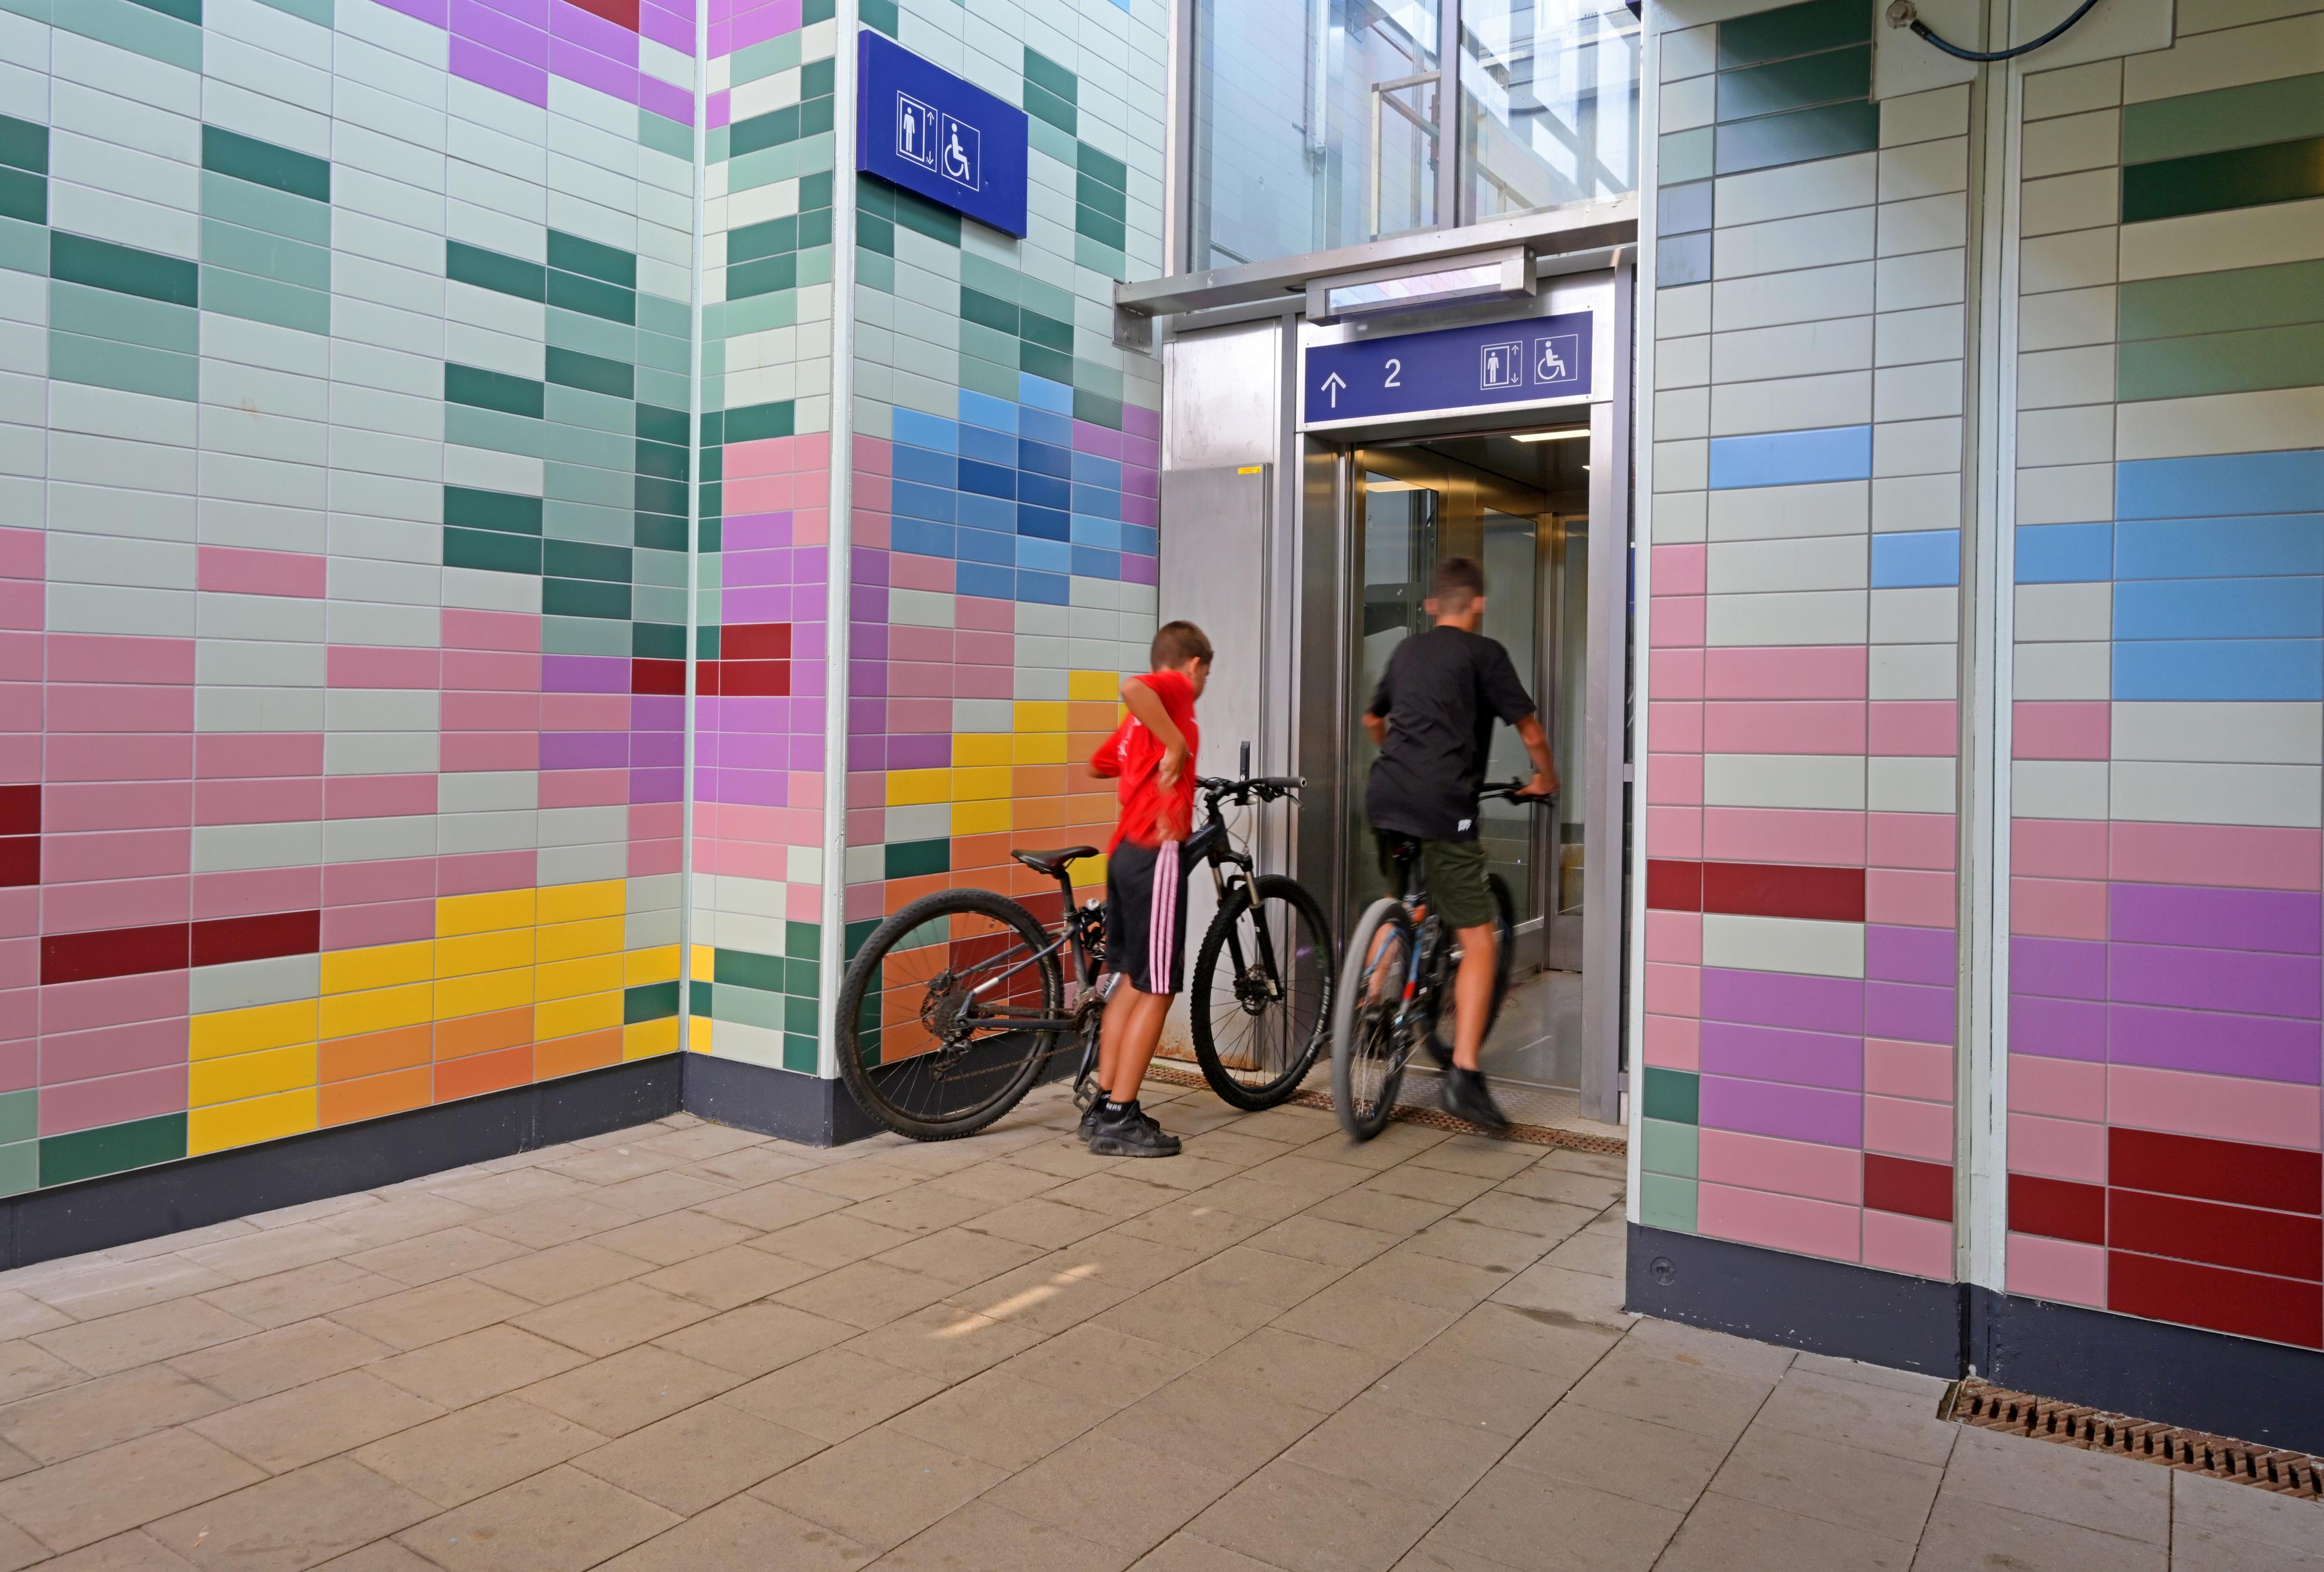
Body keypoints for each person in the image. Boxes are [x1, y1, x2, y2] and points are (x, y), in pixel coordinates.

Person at [1362, 557, 1556, 1133]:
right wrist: (1546, 777)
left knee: (1401, 900)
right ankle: (1465, 1076)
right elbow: (1532, 732)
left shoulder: (1406, 652)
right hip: (1445, 804)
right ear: (1477, 603)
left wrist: (1400, 750)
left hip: (1387, 794)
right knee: (1479, 941)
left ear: (1432, 606)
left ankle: (1370, 1003)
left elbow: (1375, 719)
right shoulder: (1485, 653)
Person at [1080, 620, 1213, 1156]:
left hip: (1123, 853)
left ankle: (1104, 1102)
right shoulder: (1175, 691)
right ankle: (1120, 1117)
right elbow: (1133, 687)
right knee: (1158, 987)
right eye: (1205, 675)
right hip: (1156, 853)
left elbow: (1097, 765)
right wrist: (1178, 743)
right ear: (1194, 666)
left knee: (1131, 980)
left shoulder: (1138, 725)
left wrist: (1151, 760)